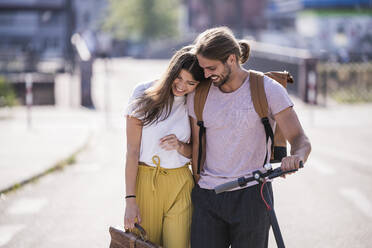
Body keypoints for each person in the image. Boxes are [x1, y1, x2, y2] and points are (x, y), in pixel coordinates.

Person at [187, 27, 312, 248]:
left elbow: (300, 139)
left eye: (211, 68)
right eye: (203, 68)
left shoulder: (267, 89)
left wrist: (296, 157)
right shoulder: (200, 94)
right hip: (207, 195)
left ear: (232, 59)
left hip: (253, 194)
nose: (205, 74)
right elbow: (196, 146)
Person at [124, 46, 206, 248]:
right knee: (144, 244)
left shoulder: (193, 101)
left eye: (190, 83)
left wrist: (179, 146)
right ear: (172, 70)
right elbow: (132, 152)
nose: (181, 86)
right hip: (146, 181)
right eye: (179, 77)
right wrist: (130, 200)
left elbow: (194, 150)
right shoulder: (143, 91)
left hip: (180, 184)